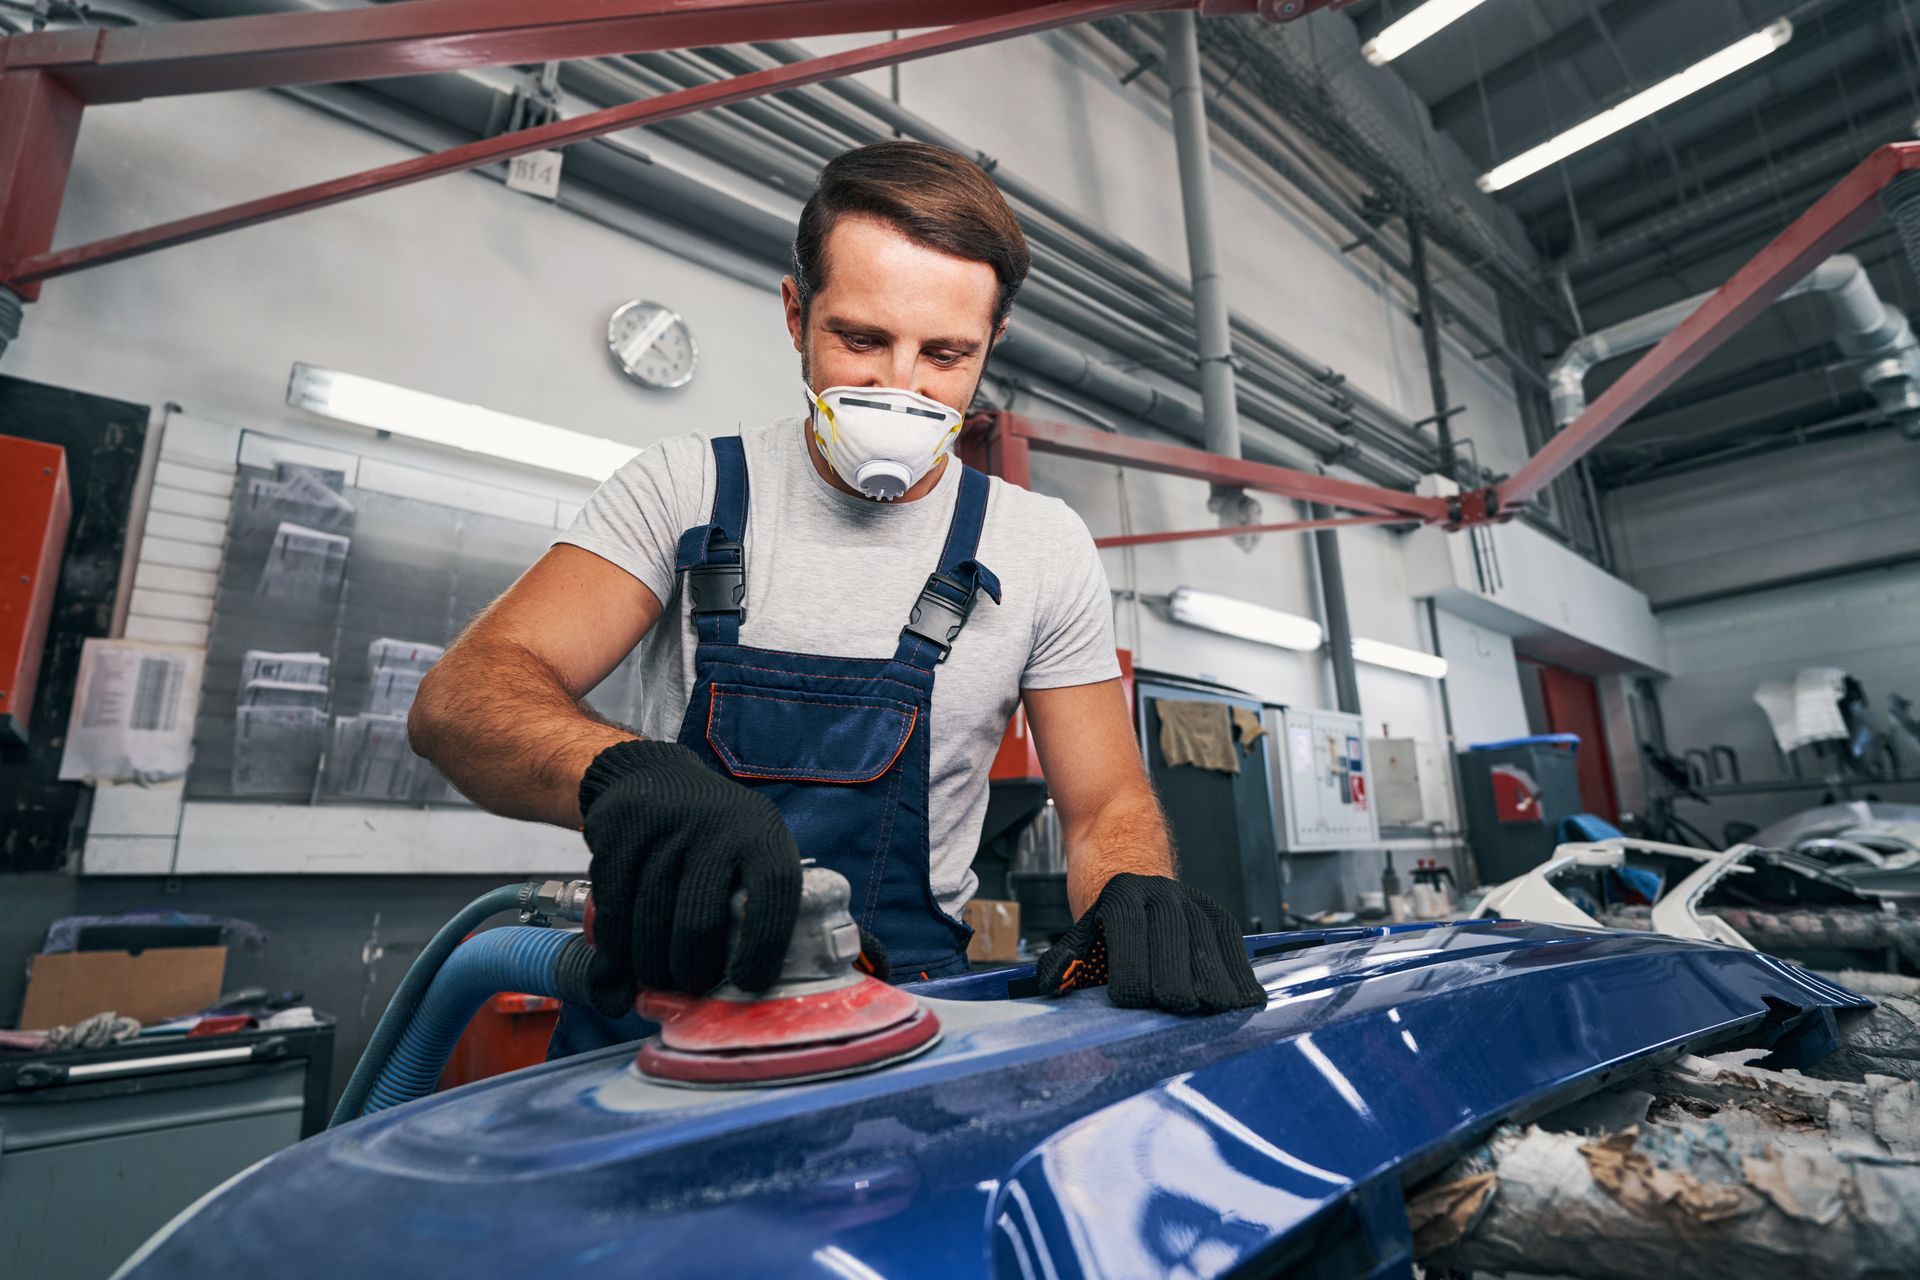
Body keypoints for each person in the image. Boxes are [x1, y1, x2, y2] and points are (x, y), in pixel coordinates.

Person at [409, 140, 1264, 1055]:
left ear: (991, 345)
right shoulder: (685, 489)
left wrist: (1137, 886)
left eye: (946, 354)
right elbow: (462, 700)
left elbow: (1104, 807)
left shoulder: (1041, 547)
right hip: (664, 1014)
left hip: (914, 1022)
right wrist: (624, 776)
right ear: (794, 313)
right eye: (860, 339)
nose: (901, 387)